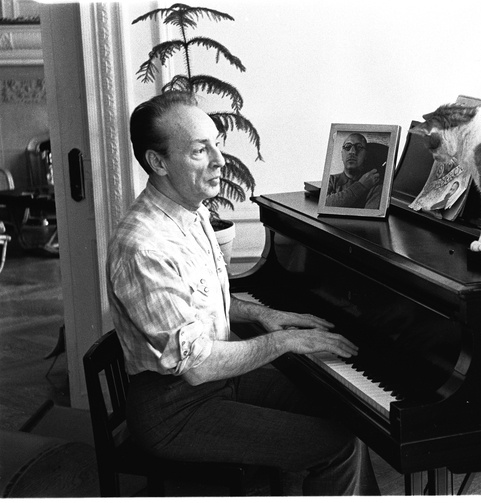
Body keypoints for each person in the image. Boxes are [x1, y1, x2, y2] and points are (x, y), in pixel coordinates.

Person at [106, 91, 380, 496]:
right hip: (175, 409)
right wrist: (285, 340)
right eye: (201, 150)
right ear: (158, 162)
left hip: (215, 384)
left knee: (348, 414)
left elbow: (201, 303)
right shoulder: (144, 246)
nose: (220, 161)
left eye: (218, 143)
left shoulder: (189, 209)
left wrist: (260, 314)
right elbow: (197, 365)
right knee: (332, 444)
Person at [325, 133, 382, 209]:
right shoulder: (331, 180)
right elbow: (323, 204)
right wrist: (361, 186)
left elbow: (367, 219)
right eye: (348, 147)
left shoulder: (375, 186)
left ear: (366, 155)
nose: (352, 152)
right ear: (342, 154)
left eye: (359, 147)